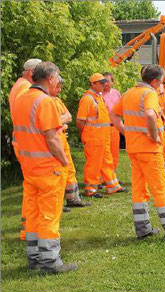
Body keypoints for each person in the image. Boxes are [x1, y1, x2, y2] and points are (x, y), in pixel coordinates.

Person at [111, 65, 165, 240]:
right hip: (149, 150)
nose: (161, 85)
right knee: (160, 188)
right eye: (161, 81)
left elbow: (114, 115)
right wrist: (154, 135)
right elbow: (149, 114)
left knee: (139, 188)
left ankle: (143, 229)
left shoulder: (129, 93)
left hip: (134, 149)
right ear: (154, 81)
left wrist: (126, 132)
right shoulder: (149, 94)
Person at [12, 61, 77, 274]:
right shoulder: (45, 101)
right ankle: (51, 262)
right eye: (57, 77)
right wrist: (64, 161)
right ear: (49, 78)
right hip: (48, 168)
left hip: (29, 168)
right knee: (49, 215)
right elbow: (52, 138)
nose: (59, 82)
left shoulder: (22, 99)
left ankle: (35, 258)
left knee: (33, 214)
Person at [76, 73, 127, 198]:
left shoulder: (98, 97)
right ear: (93, 84)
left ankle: (113, 186)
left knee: (107, 161)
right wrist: (83, 134)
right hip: (93, 137)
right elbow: (80, 121)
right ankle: (90, 189)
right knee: (93, 163)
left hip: (103, 137)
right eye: (100, 83)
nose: (104, 84)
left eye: (104, 82)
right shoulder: (87, 99)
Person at [9, 58, 42, 241]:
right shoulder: (25, 89)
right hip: (27, 143)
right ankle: (30, 226)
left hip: (22, 141)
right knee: (33, 187)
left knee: (31, 186)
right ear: (32, 73)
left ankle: (29, 225)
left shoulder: (19, 85)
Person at [51, 76, 91, 209]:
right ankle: (56, 201)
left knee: (69, 169)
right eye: (57, 87)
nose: (59, 90)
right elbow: (51, 123)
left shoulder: (57, 100)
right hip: (55, 139)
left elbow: (68, 116)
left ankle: (72, 198)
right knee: (57, 171)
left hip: (62, 138)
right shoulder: (45, 101)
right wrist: (61, 122)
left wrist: (60, 121)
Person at [102, 72, 121, 171]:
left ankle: (112, 175)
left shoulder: (116, 93)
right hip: (103, 128)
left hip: (115, 128)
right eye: (103, 81)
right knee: (104, 153)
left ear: (112, 82)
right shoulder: (98, 94)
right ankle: (101, 178)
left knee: (114, 152)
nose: (105, 83)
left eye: (107, 81)